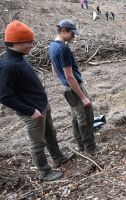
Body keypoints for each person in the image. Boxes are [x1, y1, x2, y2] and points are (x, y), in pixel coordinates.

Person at [0, 21, 75, 181]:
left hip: (42, 106)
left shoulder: (20, 57)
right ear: (17, 42)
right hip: (32, 112)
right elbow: (4, 96)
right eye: (29, 42)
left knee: (50, 134)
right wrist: (30, 111)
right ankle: (44, 172)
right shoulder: (8, 65)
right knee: (37, 143)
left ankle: (58, 158)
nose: (32, 46)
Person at [48, 19, 97, 154]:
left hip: (67, 87)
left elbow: (54, 71)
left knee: (76, 116)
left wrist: (65, 82)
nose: (74, 36)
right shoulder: (63, 49)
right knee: (85, 116)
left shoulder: (51, 46)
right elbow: (70, 76)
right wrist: (82, 96)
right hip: (74, 87)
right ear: (64, 31)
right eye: (72, 33)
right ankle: (90, 148)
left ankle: (79, 145)